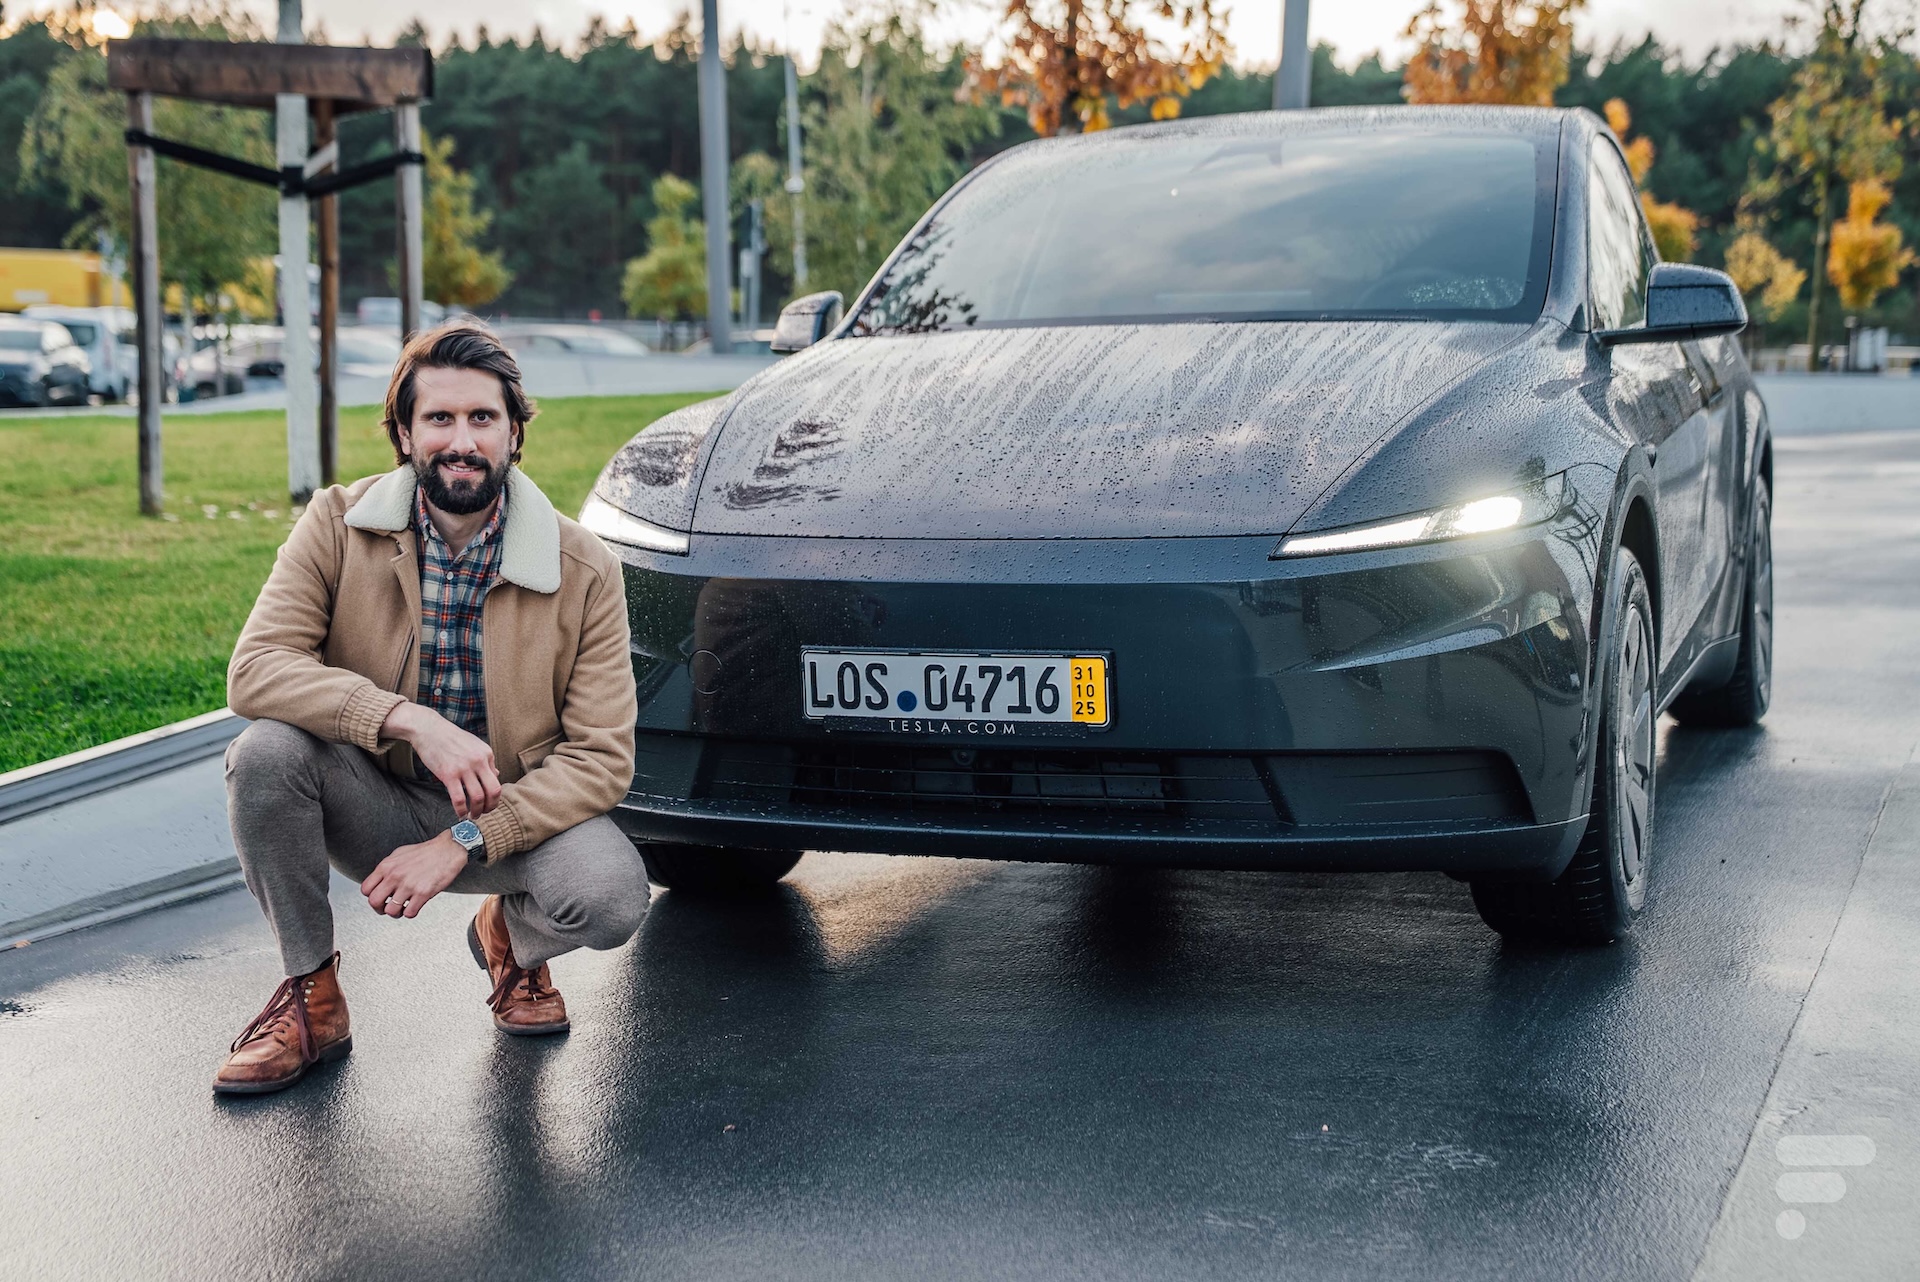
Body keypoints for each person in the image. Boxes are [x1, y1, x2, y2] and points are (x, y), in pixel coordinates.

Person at [212, 321, 644, 1095]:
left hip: (511, 817)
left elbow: (602, 759)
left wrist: (466, 839)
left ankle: (511, 941)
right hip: (370, 799)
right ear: (405, 435)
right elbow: (256, 669)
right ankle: (311, 999)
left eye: (482, 418)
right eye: (438, 419)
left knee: (612, 898)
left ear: (514, 431)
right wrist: (407, 719)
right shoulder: (336, 525)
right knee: (265, 754)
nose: (462, 440)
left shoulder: (585, 568)